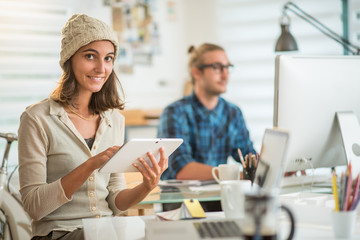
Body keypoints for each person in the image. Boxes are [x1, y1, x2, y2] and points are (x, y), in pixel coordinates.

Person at [17, 14, 168, 240]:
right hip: (59, 233)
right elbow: (34, 206)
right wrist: (90, 165)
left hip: (107, 231)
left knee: (162, 231)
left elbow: (115, 200)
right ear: (70, 59)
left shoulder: (114, 119)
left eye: (108, 58)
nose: (101, 68)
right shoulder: (37, 118)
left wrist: (146, 186)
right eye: (90, 56)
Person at [158, 43, 256, 180]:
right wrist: (240, 176)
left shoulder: (233, 112)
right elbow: (181, 169)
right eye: (217, 67)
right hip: (183, 199)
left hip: (219, 196)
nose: (225, 75)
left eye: (227, 67)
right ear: (197, 72)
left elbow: (249, 157)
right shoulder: (175, 112)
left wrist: (276, 169)